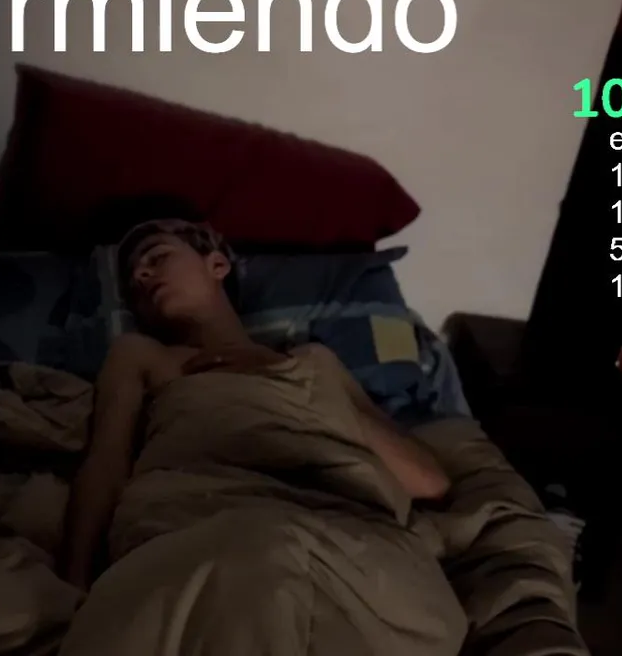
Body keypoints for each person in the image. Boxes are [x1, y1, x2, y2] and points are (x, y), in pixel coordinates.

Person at [58, 213, 451, 590]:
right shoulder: (142, 355)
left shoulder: (314, 362)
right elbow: (105, 465)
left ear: (216, 265)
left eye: (157, 257)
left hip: (342, 534)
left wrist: (291, 379)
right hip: (208, 530)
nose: (141, 275)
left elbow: (427, 481)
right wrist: (75, 583)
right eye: (132, 281)